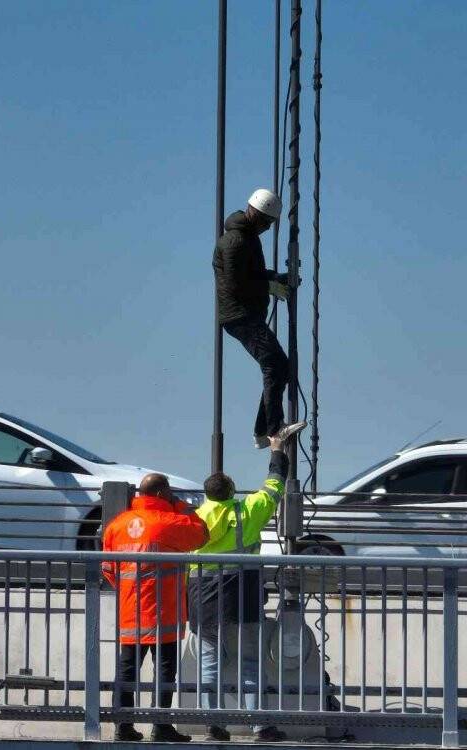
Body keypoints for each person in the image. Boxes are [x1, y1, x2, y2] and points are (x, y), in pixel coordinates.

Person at [187, 424, 305, 743]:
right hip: (241, 595)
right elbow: (275, 486)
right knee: (249, 663)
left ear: (207, 494)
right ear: (231, 491)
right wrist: (277, 450)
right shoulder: (248, 511)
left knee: (209, 665)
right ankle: (260, 727)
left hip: (203, 601)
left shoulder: (194, 518)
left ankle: (214, 725)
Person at [102, 472, 209, 743]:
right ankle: (160, 726)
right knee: (164, 670)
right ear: (163, 494)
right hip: (165, 612)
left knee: (127, 670)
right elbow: (202, 534)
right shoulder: (171, 521)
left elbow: (108, 569)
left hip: (130, 611)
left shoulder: (117, 524)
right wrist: (181, 506)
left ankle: (123, 726)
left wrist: (129, 592)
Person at [213, 188, 305, 448]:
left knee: (279, 366)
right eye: (266, 222)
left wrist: (274, 279)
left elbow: (251, 273)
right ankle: (273, 429)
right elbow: (236, 283)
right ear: (256, 214)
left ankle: (264, 431)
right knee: (275, 364)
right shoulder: (235, 241)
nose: (267, 228)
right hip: (239, 315)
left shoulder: (248, 237)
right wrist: (270, 286)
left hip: (247, 314)